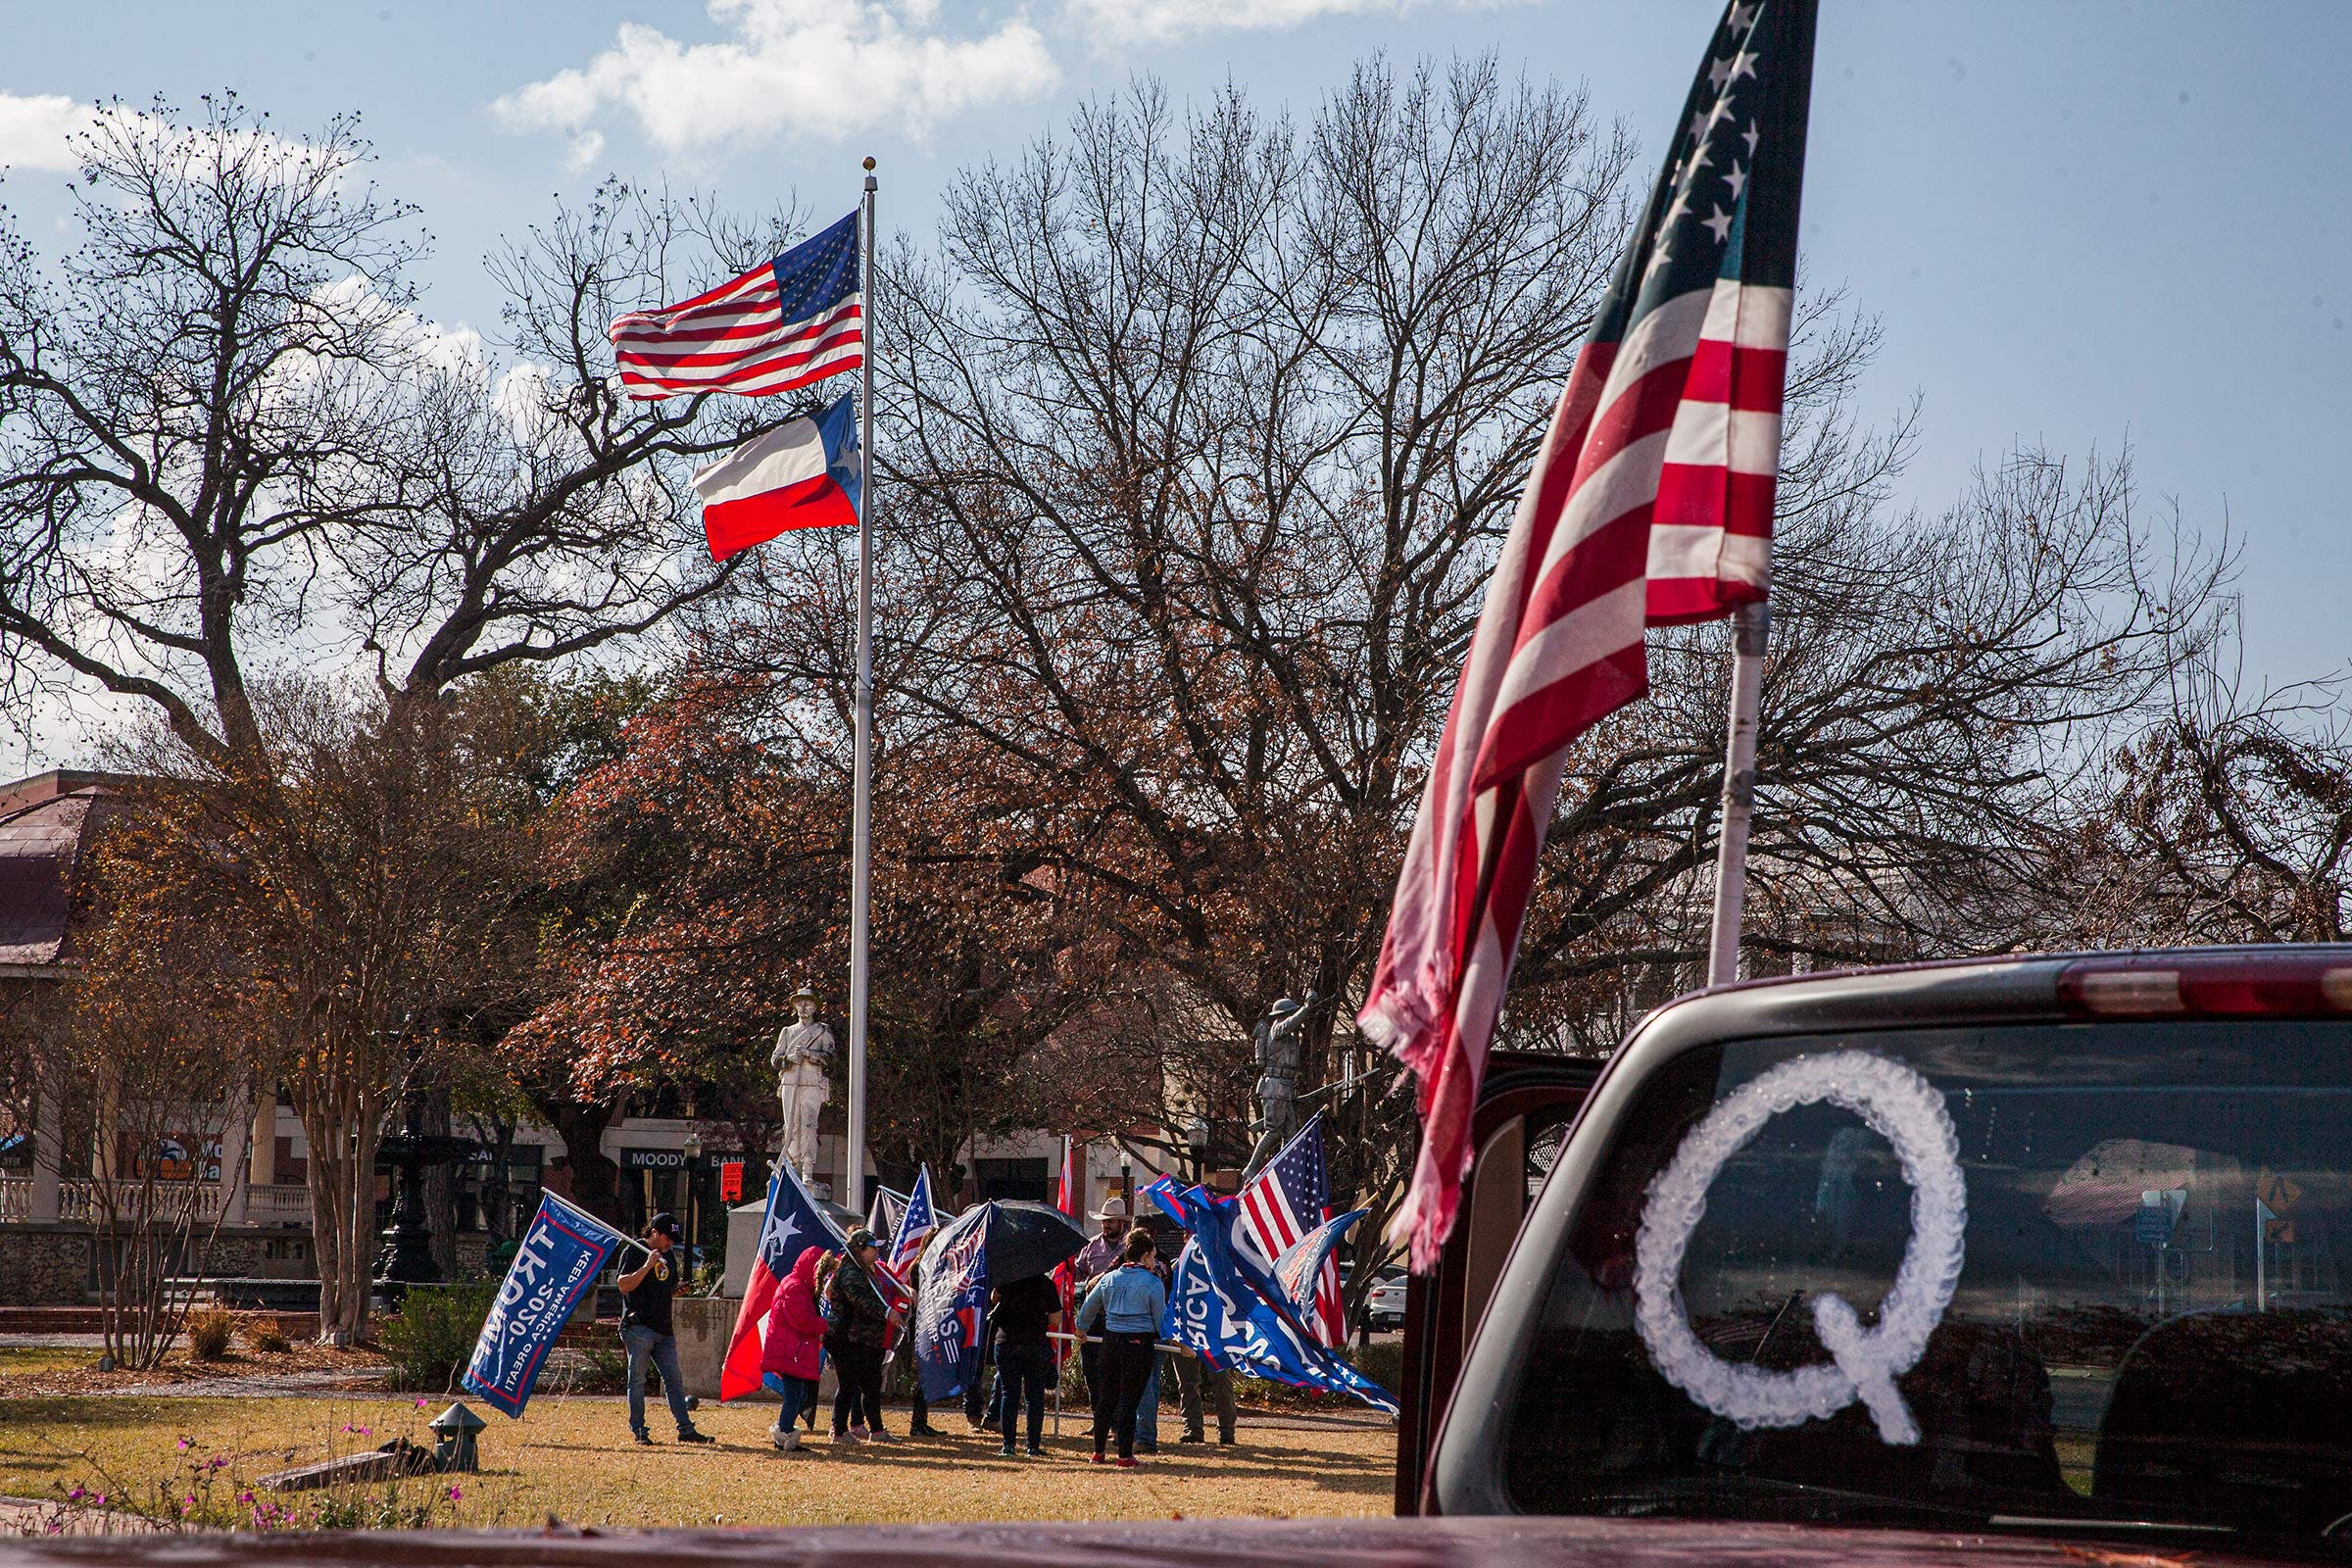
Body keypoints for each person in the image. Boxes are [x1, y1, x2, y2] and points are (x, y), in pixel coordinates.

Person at [616, 1213, 715, 1446]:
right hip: (639, 1328)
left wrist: (677, 1290)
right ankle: (639, 1430)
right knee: (637, 1381)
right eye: (666, 1238)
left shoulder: (668, 1255)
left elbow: (664, 1287)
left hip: (663, 1329)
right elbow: (623, 1285)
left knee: (674, 1380)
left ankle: (686, 1429)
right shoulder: (633, 1250)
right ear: (653, 1233)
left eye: (673, 1238)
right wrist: (647, 1265)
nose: (670, 1243)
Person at [1075, 1226, 1166, 1467]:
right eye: (1153, 1256)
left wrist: (1081, 1327)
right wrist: (1174, 1339)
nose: (1154, 1260)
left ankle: (1098, 1452)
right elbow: (1161, 1321)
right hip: (1138, 1344)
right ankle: (1125, 1455)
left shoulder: (1109, 1278)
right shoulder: (1152, 1283)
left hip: (1110, 1342)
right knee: (1129, 1399)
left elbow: (1088, 1307)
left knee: (1106, 1398)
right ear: (1146, 1255)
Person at [825, 1227, 903, 1444]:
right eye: (872, 1248)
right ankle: (839, 1431)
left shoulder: (865, 1270)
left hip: (865, 1338)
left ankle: (877, 1430)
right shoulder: (850, 1271)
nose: (877, 1252)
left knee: (870, 1384)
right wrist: (887, 1312)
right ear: (859, 1249)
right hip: (846, 1336)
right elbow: (859, 1299)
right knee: (849, 1383)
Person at [760, 1245, 829, 1452]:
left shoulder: (798, 1285)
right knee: (794, 1396)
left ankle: (785, 1432)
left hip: (791, 1350)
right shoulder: (795, 1287)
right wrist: (825, 1323)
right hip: (789, 1352)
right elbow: (800, 1320)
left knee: (797, 1395)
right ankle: (784, 1434)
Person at [989, 1269, 1060, 1457]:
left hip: (1007, 1342)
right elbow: (1056, 1320)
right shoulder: (1046, 1284)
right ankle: (1033, 1446)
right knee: (1034, 1397)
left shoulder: (1008, 1278)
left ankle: (1008, 1445)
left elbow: (993, 1299)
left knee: (1008, 1394)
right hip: (1036, 1344)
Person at [1070, 1196, 1130, 1408]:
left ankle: (1115, 1420)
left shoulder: (1131, 1247)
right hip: (1094, 1315)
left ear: (1121, 1223)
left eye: (1110, 1221)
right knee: (1091, 1369)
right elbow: (1077, 1273)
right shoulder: (1092, 1246)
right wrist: (1065, 1266)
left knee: (1117, 1371)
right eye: (1104, 1220)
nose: (1106, 1224)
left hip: (1120, 1316)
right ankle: (1099, 1416)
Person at [1174, 1349, 1238, 1446]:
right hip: (1183, 1337)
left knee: (1222, 1379)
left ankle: (1227, 1431)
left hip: (1213, 1338)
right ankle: (1193, 1430)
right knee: (1187, 1384)